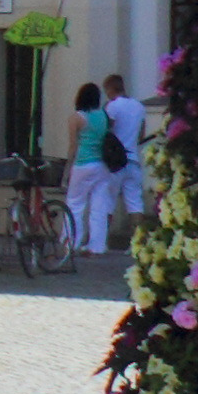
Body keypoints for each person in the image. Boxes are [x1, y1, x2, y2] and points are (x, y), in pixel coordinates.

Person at [64, 81, 121, 261]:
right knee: (99, 206)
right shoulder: (103, 116)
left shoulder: (77, 118)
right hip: (102, 165)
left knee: (75, 204)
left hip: (83, 164)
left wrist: (67, 169)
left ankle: (71, 242)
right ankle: (97, 245)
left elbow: (73, 145)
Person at [104, 69, 152, 221]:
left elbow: (107, 130)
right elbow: (141, 135)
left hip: (115, 162)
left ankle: (100, 241)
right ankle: (138, 241)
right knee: (135, 203)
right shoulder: (139, 106)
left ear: (111, 88)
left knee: (107, 202)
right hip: (133, 159)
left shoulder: (112, 106)